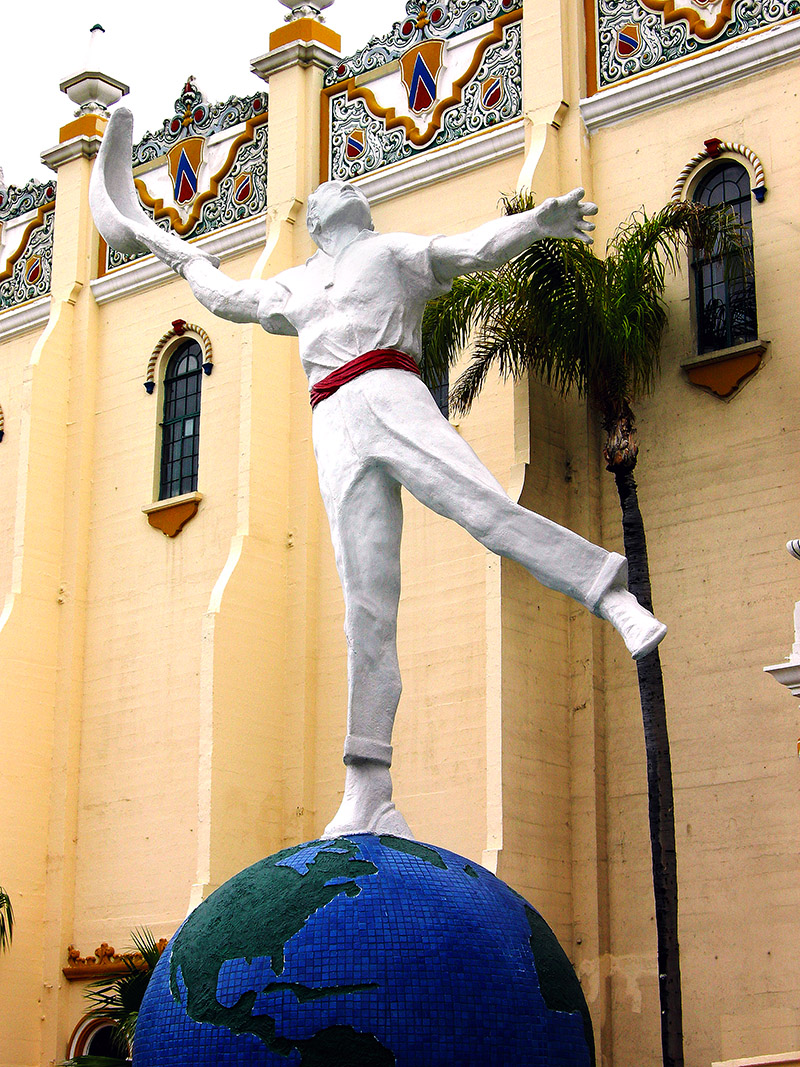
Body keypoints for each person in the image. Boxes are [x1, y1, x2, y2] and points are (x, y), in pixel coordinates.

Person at [91, 108, 666, 840]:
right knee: (366, 606)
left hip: (393, 392)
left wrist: (538, 226)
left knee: (483, 507)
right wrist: (167, 246)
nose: (341, 180)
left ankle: (609, 591)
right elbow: (221, 295)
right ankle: (369, 786)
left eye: (348, 179)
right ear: (315, 222)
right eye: (329, 182)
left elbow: (469, 250)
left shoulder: (389, 252)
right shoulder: (294, 285)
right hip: (333, 422)